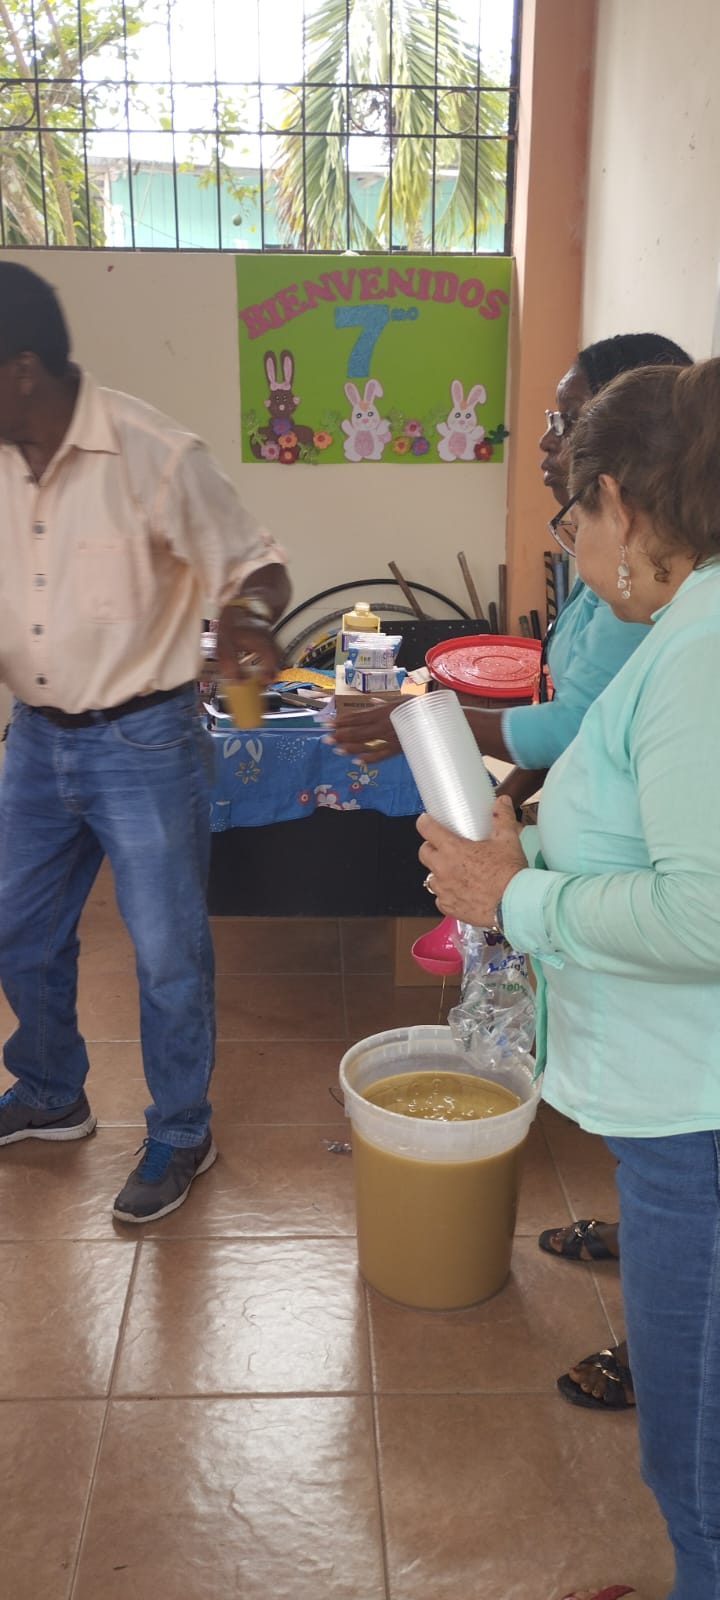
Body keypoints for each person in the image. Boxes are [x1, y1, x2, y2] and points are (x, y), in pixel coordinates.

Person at [417, 356, 720, 1600]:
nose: (575, 546)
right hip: (677, 1119)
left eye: (573, 517)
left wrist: (514, 896)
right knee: (690, 1454)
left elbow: (705, 909)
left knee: (698, 1469)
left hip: (701, 1127)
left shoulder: (700, 652)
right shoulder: (683, 637)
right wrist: (526, 851)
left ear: (621, 506)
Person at [0, 262, 290, 1223]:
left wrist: (247, 618)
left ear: (22, 371)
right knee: (18, 930)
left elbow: (256, 566)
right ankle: (51, 1092)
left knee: (167, 952)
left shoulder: (152, 454)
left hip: (144, 743)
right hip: (34, 741)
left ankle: (181, 1129)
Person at [329, 333, 691, 823]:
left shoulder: (644, 589)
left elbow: (572, 728)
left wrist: (428, 721)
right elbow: (584, 719)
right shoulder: (614, 559)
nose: (546, 440)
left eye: (567, 421)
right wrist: (499, 808)